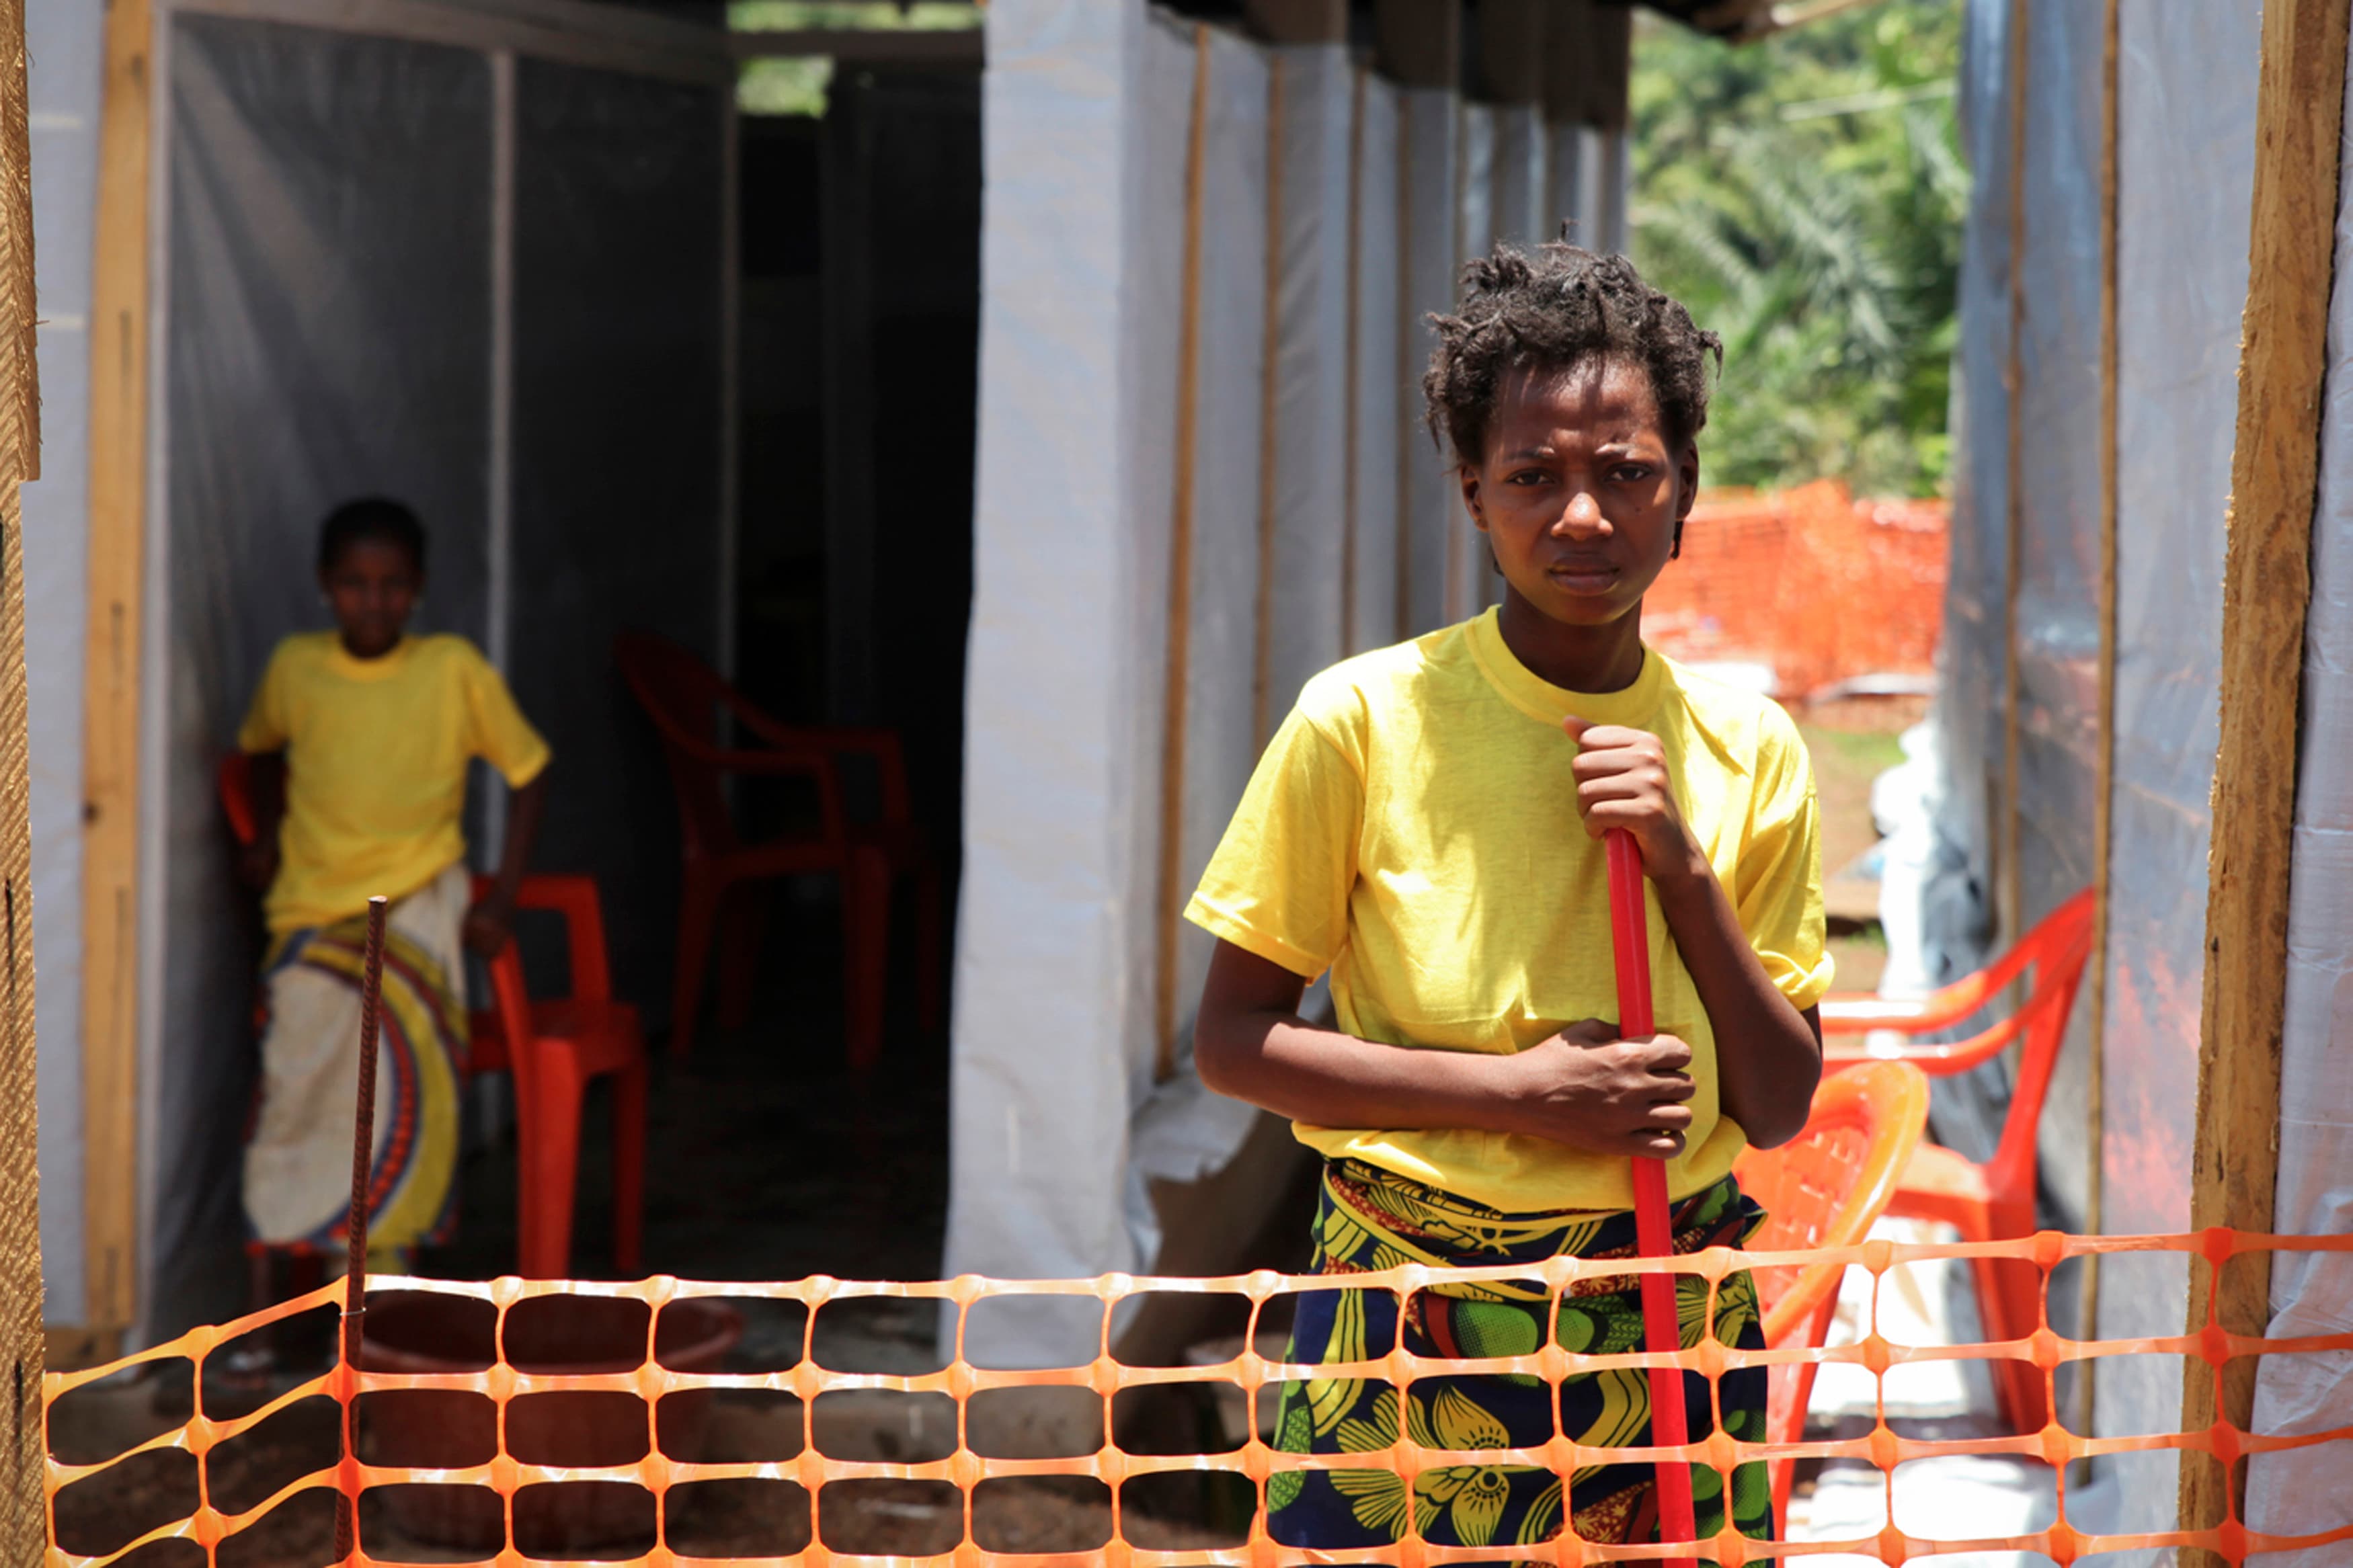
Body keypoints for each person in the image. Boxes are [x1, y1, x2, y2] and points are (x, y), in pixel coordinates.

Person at [1188, 243, 1829, 1558]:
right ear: (1473, 493)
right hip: (1408, 1313)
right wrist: (1519, 1095)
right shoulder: (1362, 719)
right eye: (1533, 476)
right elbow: (1232, 1042)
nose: (1581, 515)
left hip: (1665, 1305)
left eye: (1625, 471)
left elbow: (1774, 1099)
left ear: (1685, 493)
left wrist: (1682, 865)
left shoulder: (1744, 746)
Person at [236, 497, 551, 1285]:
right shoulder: (295, 668)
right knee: (293, 1094)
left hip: (414, 903)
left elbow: (530, 773)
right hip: (311, 911)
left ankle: (387, 1275)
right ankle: (270, 1303)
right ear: (324, 585)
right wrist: (267, 834)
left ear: (417, 588)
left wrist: (500, 899)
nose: (373, 601)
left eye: (392, 585)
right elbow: (260, 753)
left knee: (402, 1079)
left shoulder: (451, 669)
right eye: (353, 583)